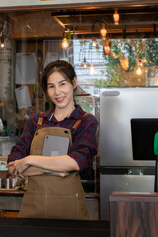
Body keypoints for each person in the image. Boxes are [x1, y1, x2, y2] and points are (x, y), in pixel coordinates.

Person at [7, 60, 98, 220]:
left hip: (70, 211)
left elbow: (77, 162)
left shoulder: (86, 121)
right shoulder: (36, 121)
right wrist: (59, 168)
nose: (57, 92)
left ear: (74, 83)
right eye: (51, 86)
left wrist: (30, 160)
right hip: (34, 210)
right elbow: (13, 164)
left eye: (62, 84)